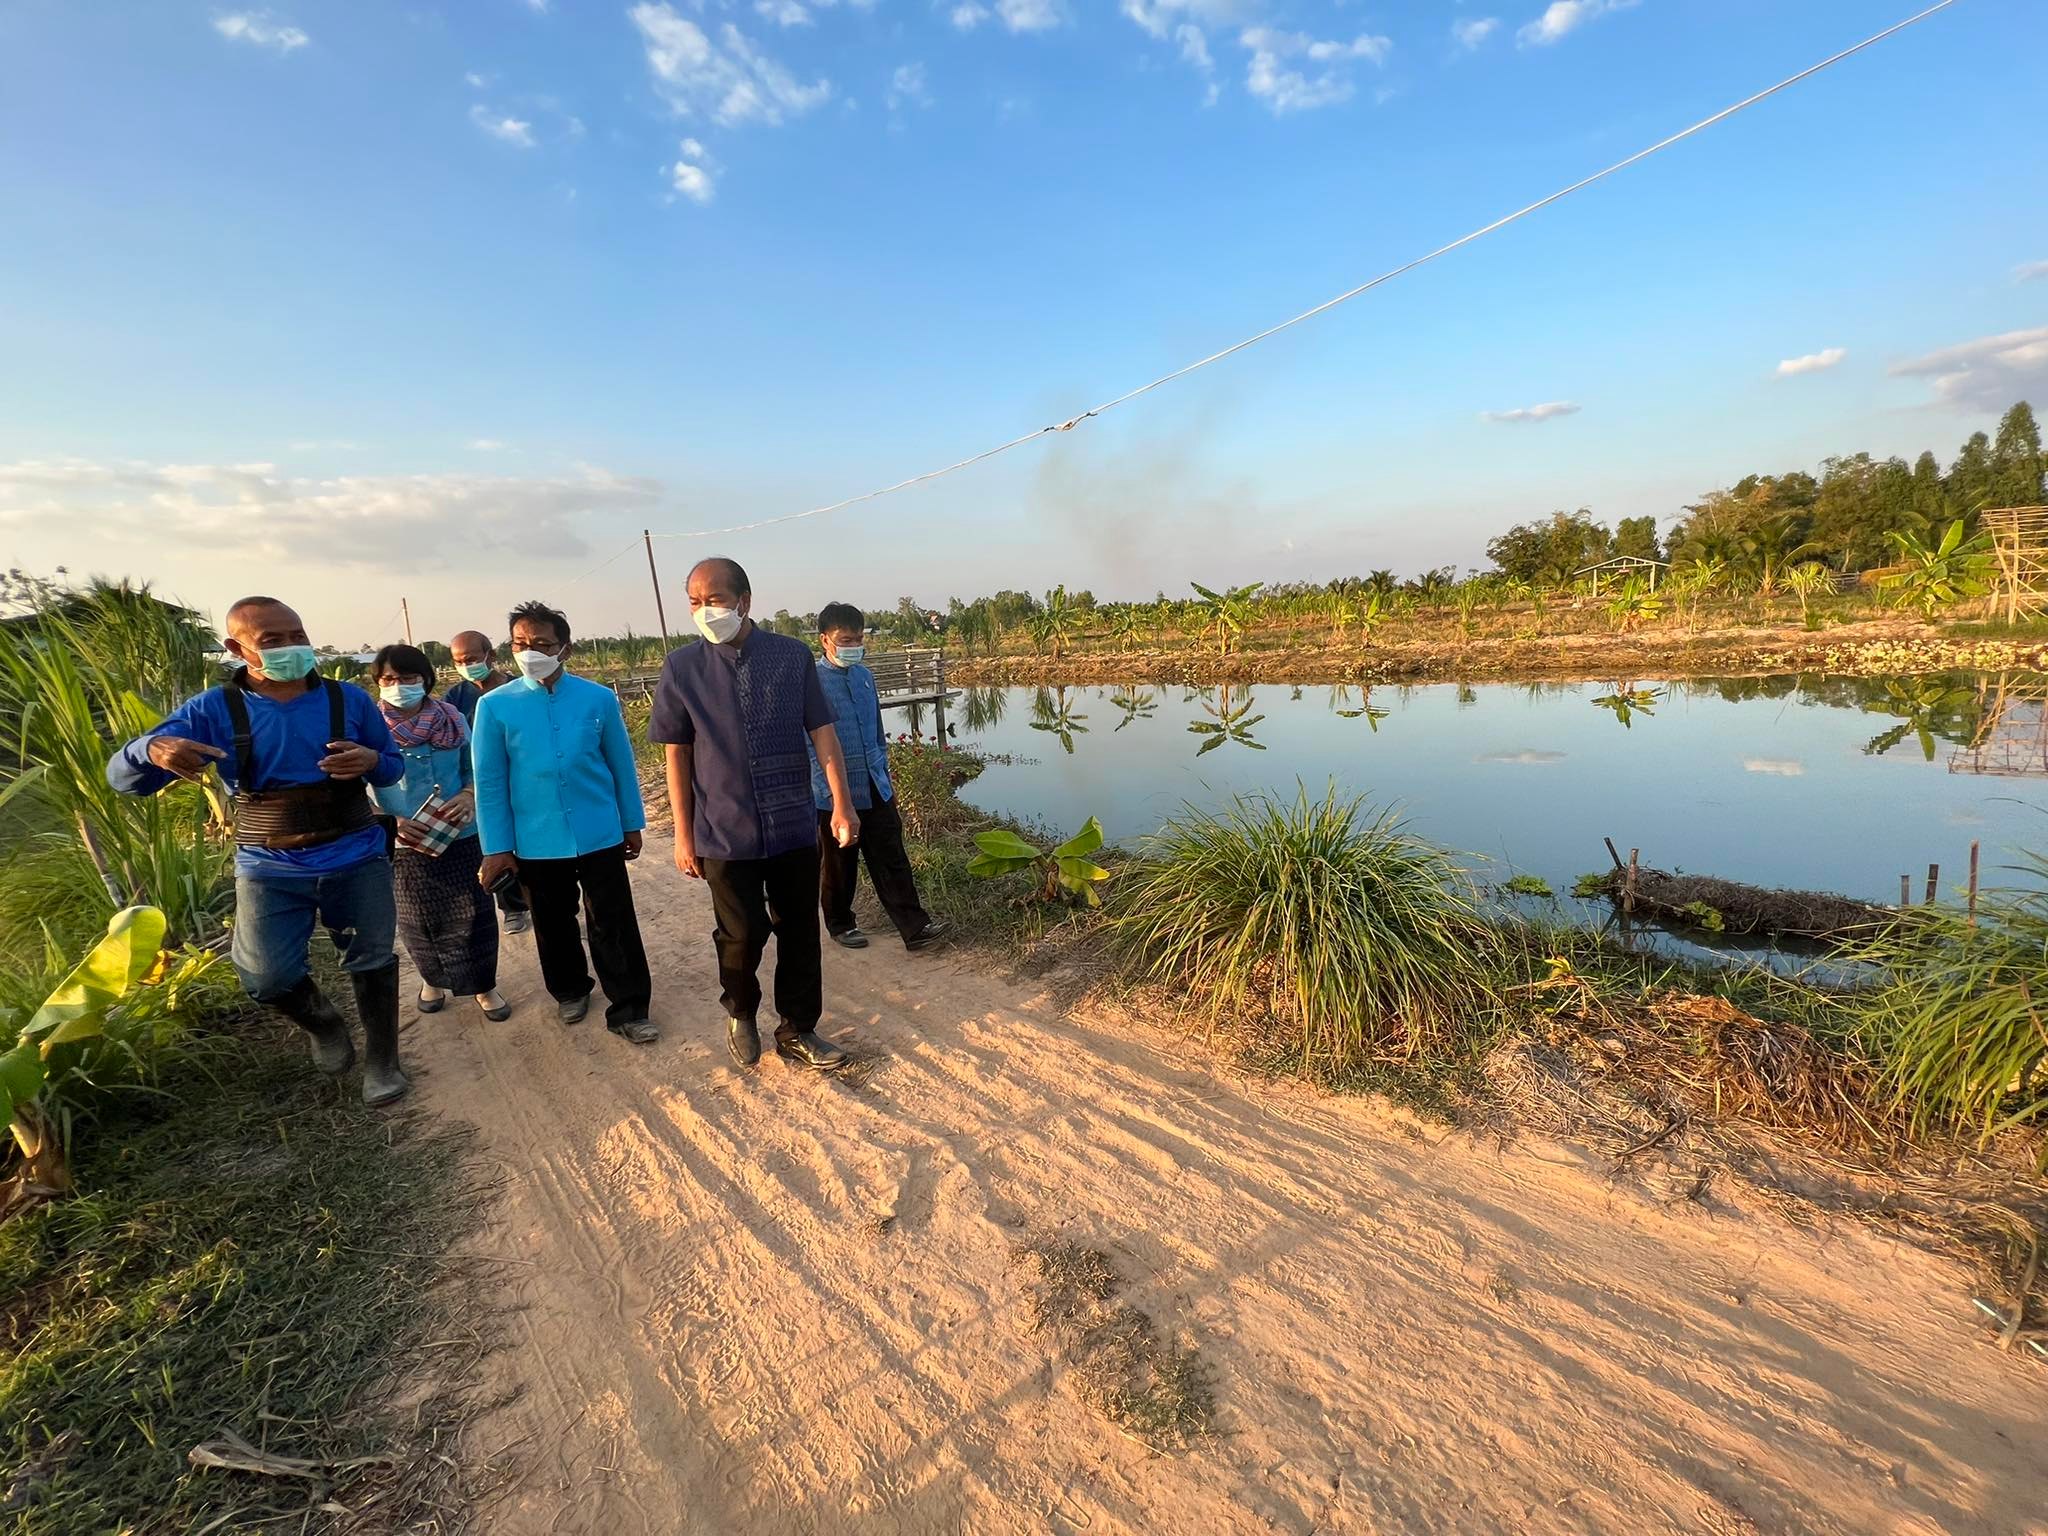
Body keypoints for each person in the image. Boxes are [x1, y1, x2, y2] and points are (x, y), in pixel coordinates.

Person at [106, 596, 412, 1104]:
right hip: (268, 862)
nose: (292, 646)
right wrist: (150, 748)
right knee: (265, 975)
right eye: (273, 641)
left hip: (354, 850)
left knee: (373, 958)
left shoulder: (347, 700)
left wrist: (371, 759)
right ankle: (322, 1022)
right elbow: (123, 778)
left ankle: (383, 1060)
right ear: (236, 648)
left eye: (297, 634)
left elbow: (393, 766)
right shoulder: (213, 708)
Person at [648, 557, 860, 1073]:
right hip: (723, 829)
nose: (705, 610)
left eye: (715, 599)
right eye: (695, 602)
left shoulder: (791, 658)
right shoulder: (681, 667)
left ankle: (798, 1029)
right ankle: (741, 1012)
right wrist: (683, 833)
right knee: (741, 934)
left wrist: (842, 803)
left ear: (745, 600)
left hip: (790, 821)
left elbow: (822, 733)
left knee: (800, 931)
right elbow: (677, 751)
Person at [472, 600, 656, 1044]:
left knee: (612, 920)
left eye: (541, 643)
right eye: (520, 644)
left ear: (565, 649)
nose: (530, 651)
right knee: (553, 922)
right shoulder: (495, 707)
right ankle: (570, 989)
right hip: (535, 838)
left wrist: (631, 823)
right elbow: (490, 782)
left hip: (599, 831)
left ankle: (630, 1006)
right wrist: (497, 848)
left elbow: (621, 765)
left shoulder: (598, 699)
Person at [367, 643, 508, 1022]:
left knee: (474, 912)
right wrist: (388, 820)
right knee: (415, 917)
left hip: (460, 833)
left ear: (426, 679)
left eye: (409, 678)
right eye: (389, 679)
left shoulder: (453, 719)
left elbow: (475, 767)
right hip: (404, 841)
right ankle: (432, 980)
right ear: (378, 683)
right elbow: (356, 787)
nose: (400, 685)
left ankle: (483, 986)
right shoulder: (369, 729)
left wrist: (468, 795)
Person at [808, 603, 951, 953]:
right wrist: (828, 791)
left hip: (874, 782)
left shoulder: (864, 676)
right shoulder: (810, 682)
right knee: (840, 863)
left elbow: (876, 731)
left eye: (858, 638)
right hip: (832, 793)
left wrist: (886, 778)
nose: (853, 645)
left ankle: (915, 928)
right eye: (846, 639)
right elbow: (812, 743)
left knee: (891, 855)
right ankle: (840, 922)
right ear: (825, 640)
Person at [444, 629, 531, 936]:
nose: (466, 665)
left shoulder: (518, 689)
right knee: (493, 842)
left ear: (490, 656)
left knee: (527, 842)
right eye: (458, 660)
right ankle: (511, 906)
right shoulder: (455, 699)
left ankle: (531, 901)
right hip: (481, 783)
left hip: (522, 776)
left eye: (471, 658)